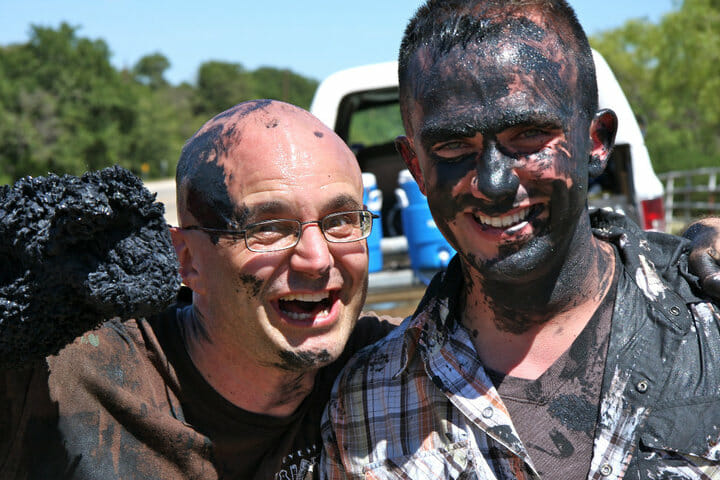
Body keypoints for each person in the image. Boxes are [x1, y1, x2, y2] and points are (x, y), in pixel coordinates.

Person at [321, 1, 720, 478]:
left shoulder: (708, 326)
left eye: (529, 135)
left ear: (596, 141)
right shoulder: (364, 406)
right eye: (452, 146)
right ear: (416, 167)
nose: (493, 184)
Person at [0, 99, 394, 480]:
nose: (318, 258)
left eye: (341, 220)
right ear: (186, 259)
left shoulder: (397, 365)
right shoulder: (63, 376)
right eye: (268, 227)